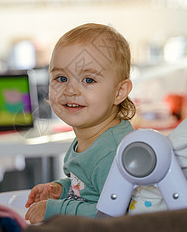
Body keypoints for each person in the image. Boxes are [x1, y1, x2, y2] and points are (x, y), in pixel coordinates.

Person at [24, 23, 136, 223]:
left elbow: (113, 214)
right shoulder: (93, 137)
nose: (70, 90)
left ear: (119, 92)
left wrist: (56, 210)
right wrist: (61, 189)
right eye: (61, 78)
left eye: (88, 80)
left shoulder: (112, 153)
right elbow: (88, 188)